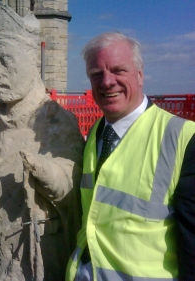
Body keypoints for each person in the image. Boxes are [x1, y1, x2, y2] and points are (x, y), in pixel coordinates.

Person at [0, 2, 85, 280]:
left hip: (36, 253)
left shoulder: (56, 120)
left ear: (31, 62)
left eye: (6, 62)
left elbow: (70, 188)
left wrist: (46, 172)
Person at [65, 32, 195, 281]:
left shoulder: (183, 138)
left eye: (118, 70)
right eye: (96, 75)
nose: (107, 82)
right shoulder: (95, 132)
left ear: (140, 74)